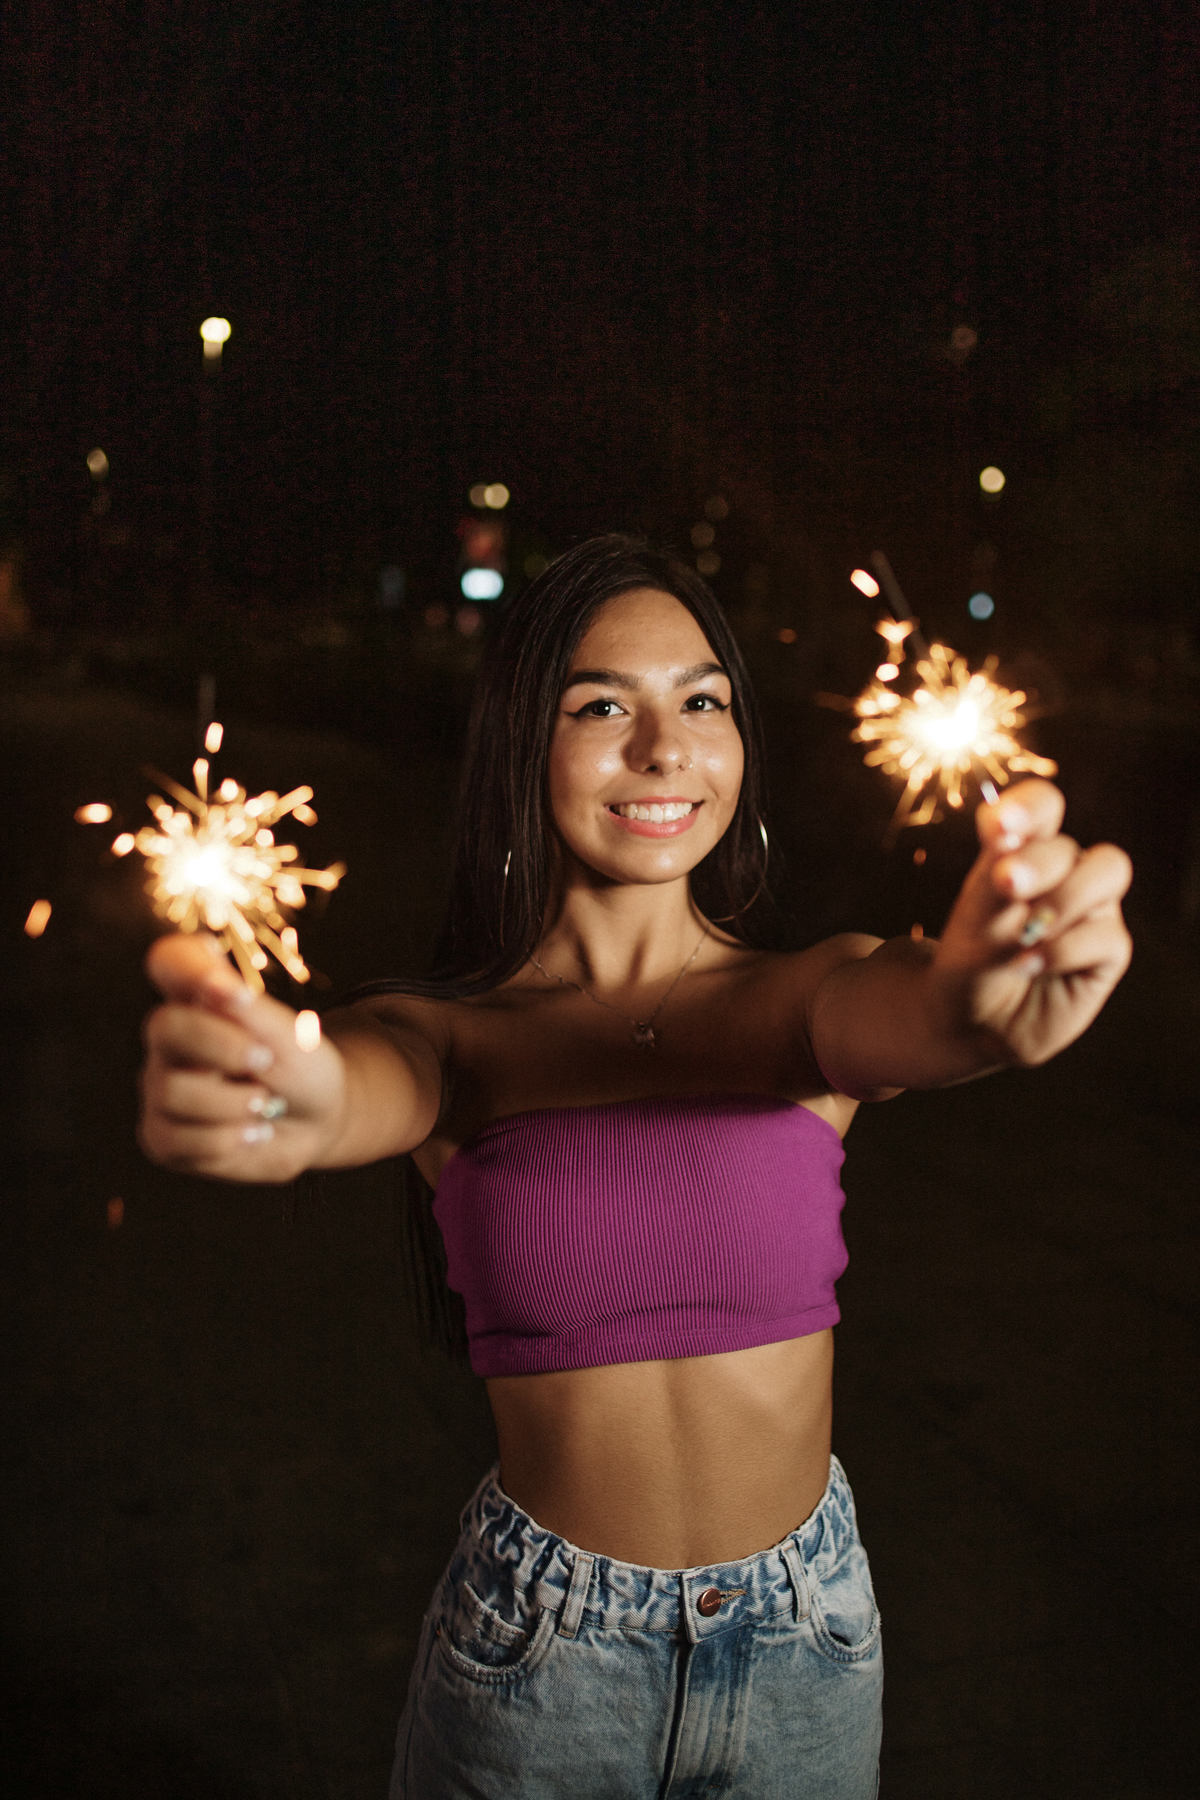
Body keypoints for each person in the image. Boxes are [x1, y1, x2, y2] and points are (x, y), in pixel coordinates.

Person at [138, 534, 1132, 1799]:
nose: (666, 750)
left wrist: (987, 1000)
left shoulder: (807, 995)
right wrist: (297, 1093)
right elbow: (357, 1084)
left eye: (702, 702)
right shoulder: (449, 1037)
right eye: (602, 706)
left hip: (808, 1638)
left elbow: (928, 1011)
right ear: (521, 742)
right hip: (543, 1661)